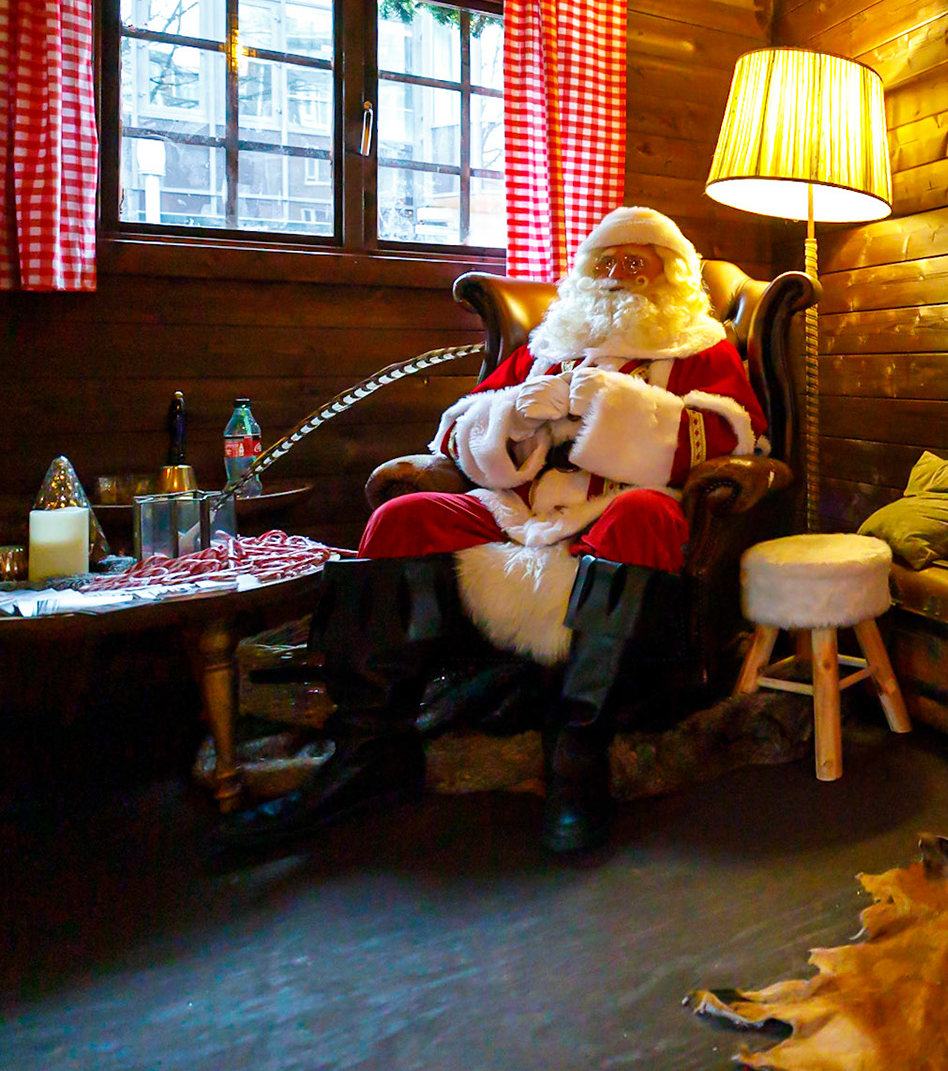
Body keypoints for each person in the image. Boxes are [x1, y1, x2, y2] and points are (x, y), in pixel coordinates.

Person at [222, 208, 767, 854]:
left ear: (669, 276)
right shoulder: (545, 345)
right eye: (605, 263)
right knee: (403, 518)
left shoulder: (700, 347)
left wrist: (614, 407)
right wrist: (515, 410)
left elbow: (736, 437)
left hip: (620, 507)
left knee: (645, 515)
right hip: (519, 505)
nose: (616, 276)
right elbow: (453, 431)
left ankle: (577, 751)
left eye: (634, 263)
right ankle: (373, 753)